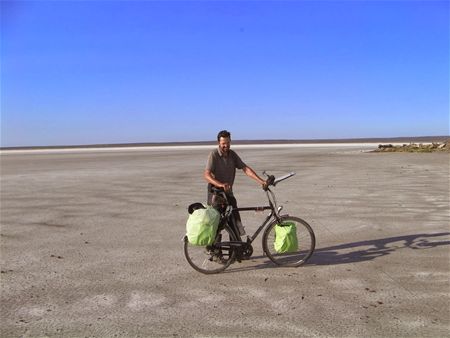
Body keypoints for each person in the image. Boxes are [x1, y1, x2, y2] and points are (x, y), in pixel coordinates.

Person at [204, 130, 267, 236]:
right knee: (216, 224)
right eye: (223, 143)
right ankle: (215, 250)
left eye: (228, 142)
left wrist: (261, 181)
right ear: (219, 143)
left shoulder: (232, 154)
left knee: (235, 222)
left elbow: (245, 168)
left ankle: (236, 250)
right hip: (216, 195)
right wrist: (220, 184)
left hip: (228, 193)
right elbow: (206, 174)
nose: (226, 145)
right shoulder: (214, 154)